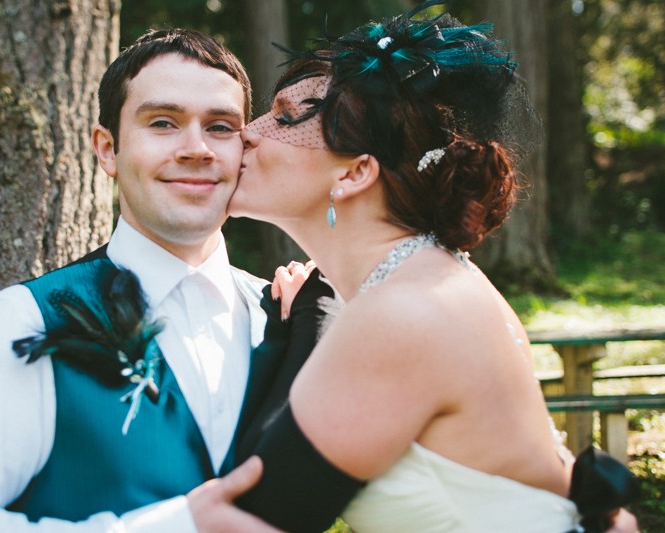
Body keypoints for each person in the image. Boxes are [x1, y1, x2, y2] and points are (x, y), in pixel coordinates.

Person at [222, 2, 640, 531]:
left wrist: (310, 321)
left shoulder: (406, 312)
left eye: (283, 117)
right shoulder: (426, 278)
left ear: (354, 173)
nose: (247, 132)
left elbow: (257, 510)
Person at [0, 28, 303, 533]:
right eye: (164, 122)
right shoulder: (23, 322)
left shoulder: (285, 316)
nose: (197, 149)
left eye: (219, 127)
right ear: (107, 149)